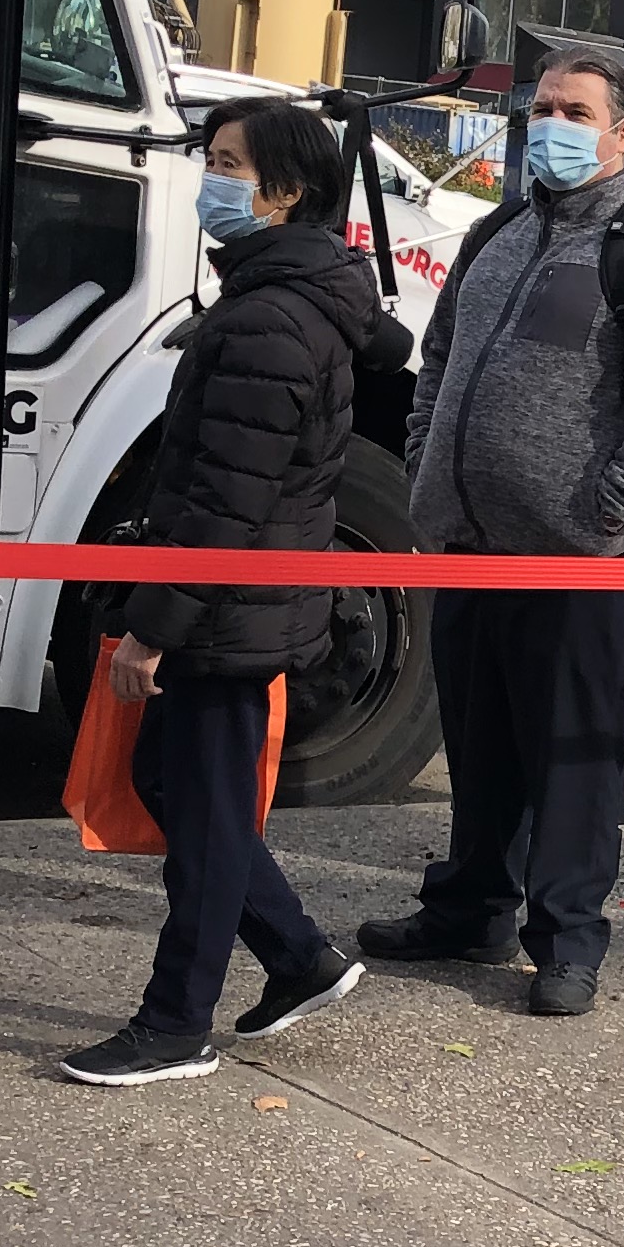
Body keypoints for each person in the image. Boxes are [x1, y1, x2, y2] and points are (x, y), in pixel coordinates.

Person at [362, 41, 624, 1017]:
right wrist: (427, 471)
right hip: (474, 547)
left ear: (622, 134)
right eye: (542, 109)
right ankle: (469, 908)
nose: (551, 126)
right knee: (480, 742)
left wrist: (607, 516)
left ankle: (567, 941)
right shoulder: (498, 233)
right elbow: (442, 362)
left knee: (575, 758)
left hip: (588, 559)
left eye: (575, 113)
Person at [59, 102, 394, 1084]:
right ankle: (297, 957)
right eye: (212, 159)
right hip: (234, 605)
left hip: (225, 614)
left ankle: (174, 1027)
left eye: (230, 164)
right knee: (176, 789)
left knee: (204, 820)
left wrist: (152, 629)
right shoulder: (269, 300)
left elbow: (227, 502)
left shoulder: (270, 320)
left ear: (286, 191)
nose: (211, 179)